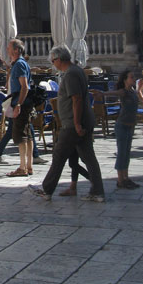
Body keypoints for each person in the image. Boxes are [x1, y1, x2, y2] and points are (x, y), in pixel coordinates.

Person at [29, 44, 104, 202]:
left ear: (59, 59)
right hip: (81, 121)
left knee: (59, 155)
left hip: (73, 123)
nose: (53, 64)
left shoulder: (70, 74)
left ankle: (47, 189)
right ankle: (98, 191)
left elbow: (76, 99)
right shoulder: (77, 71)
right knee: (89, 157)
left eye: (53, 61)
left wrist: (76, 123)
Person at [4, 38, 34, 178]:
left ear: (16, 50)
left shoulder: (20, 65)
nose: (7, 49)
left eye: (9, 47)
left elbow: (25, 86)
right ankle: (28, 165)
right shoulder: (20, 64)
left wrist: (18, 105)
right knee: (27, 135)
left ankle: (23, 167)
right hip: (23, 102)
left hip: (21, 103)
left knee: (20, 135)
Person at [106, 69, 140, 189]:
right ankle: (120, 180)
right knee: (121, 153)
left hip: (130, 126)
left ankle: (126, 177)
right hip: (122, 125)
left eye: (134, 77)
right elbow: (113, 93)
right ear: (125, 80)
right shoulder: (124, 92)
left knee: (126, 153)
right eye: (131, 77)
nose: (134, 79)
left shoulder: (133, 91)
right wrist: (101, 94)